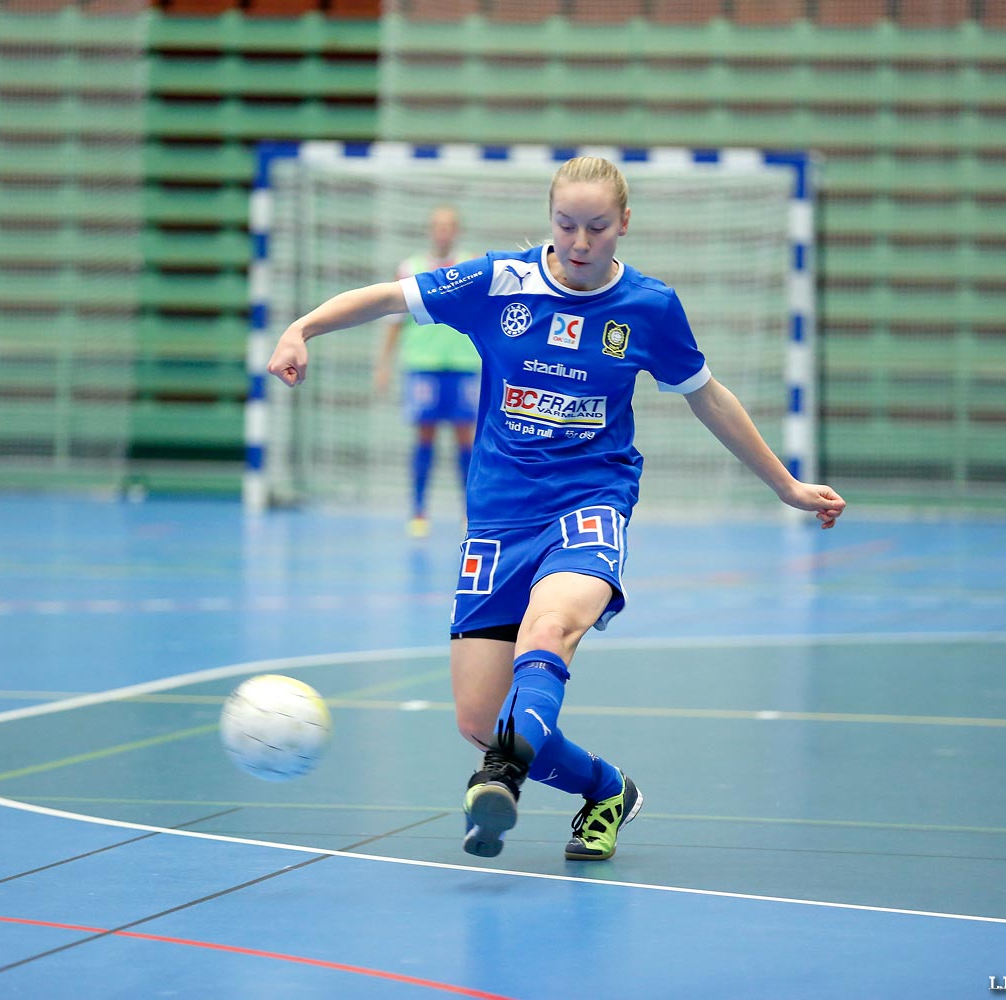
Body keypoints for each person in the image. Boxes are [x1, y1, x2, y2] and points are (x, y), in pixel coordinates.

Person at [268, 156, 845, 863]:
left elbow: (706, 393)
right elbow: (390, 297)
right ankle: (605, 789)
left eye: (596, 228)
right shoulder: (498, 283)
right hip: (499, 521)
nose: (579, 242)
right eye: (566, 225)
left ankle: (502, 775)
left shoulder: (649, 308)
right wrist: (303, 327)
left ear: (623, 224)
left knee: (550, 627)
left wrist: (785, 484)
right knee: (480, 717)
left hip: (590, 502)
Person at [373, 205, 481, 538]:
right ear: (430, 230)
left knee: (467, 438)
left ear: (457, 230)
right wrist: (384, 363)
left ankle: (470, 511)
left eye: (449, 225)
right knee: (425, 437)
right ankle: (418, 510)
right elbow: (394, 319)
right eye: (438, 225)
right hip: (423, 366)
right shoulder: (411, 269)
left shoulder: (472, 266)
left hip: (464, 365)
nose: (443, 231)